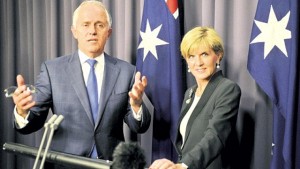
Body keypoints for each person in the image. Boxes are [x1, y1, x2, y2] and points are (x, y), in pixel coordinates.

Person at [12, 0, 151, 168]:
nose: (92, 31)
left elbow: (139, 127)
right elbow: (33, 122)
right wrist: (22, 111)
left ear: (109, 32)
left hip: (110, 164)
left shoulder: (127, 71)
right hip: (64, 165)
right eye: (85, 25)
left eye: (99, 25)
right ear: (74, 31)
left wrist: (136, 106)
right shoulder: (52, 70)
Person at [149, 27, 241, 169]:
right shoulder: (190, 93)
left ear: (218, 55)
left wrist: (184, 165)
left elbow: (215, 136)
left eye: (204, 54)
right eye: (191, 56)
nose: (198, 62)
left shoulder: (227, 89)